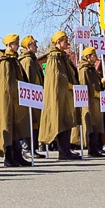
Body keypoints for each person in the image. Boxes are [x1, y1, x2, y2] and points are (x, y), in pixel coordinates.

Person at [0, 34, 32, 167]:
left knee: (16, 128)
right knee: (8, 126)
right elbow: (7, 84)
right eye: (15, 43)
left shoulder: (14, 60)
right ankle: (8, 157)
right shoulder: (6, 62)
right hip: (8, 100)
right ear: (8, 45)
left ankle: (17, 156)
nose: (17, 45)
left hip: (16, 100)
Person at [39, 31, 81, 160]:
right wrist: (70, 86)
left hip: (66, 95)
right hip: (59, 95)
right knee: (61, 121)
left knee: (66, 121)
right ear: (58, 42)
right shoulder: (54, 57)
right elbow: (58, 77)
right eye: (65, 40)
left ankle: (66, 150)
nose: (67, 43)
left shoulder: (62, 56)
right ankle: (63, 151)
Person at [79, 44, 105, 157]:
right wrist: (98, 94)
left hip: (97, 101)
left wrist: (101, 83)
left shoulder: (92, 69)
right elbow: (86, 86)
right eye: (94, 55)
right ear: (88, 56)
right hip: (91, 102)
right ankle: (92, 149)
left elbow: (94, 84)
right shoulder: (85, 70)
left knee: (97, 125)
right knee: (93, 125)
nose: (96, 57)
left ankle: (97, 148)